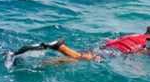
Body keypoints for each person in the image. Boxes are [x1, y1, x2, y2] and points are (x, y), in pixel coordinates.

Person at [13, 27, 150, 62]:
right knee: (88, 59)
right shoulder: (148, 42)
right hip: (113, 51)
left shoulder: (135, 35)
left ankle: (44, 63)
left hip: (104, 47)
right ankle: (60, 47)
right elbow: (142, 52)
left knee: (77, 59)